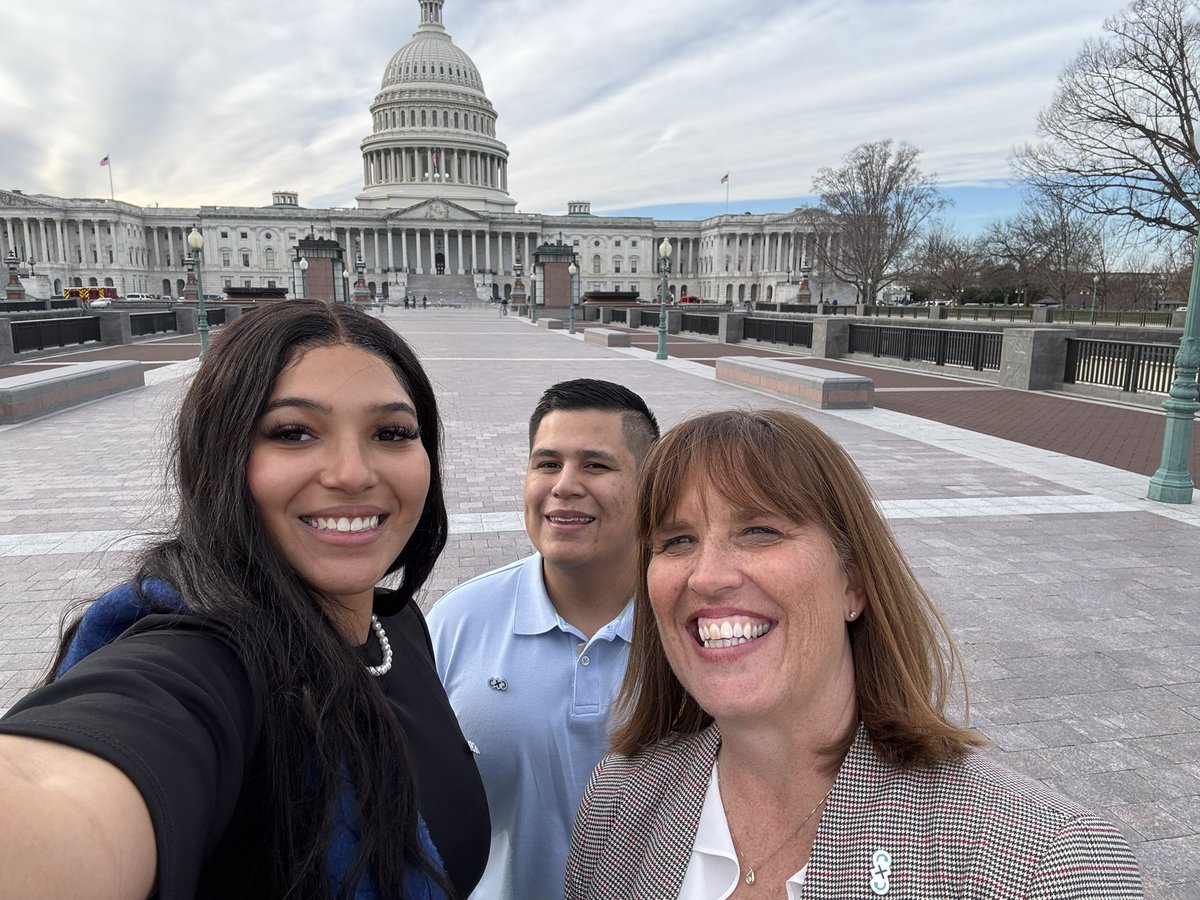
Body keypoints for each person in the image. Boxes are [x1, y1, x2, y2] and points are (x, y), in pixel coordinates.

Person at [0, 300, 490, 899]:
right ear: (221, 457)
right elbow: (62, 792)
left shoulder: (400, 626)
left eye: (392, 432)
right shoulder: (201, 664)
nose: (353, 473)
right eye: (293, 432)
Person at [566, 409, 1143, 898]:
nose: (708, 575)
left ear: (854, 583)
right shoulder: (617, 803)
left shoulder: (1050, 862)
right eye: (677, 541)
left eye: (760, 530)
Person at [427, 379, 660, 900]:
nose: (564, 485)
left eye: (596, 465)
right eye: (547, 463)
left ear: (649, 486)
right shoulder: (458, 620)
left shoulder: (691, 623)